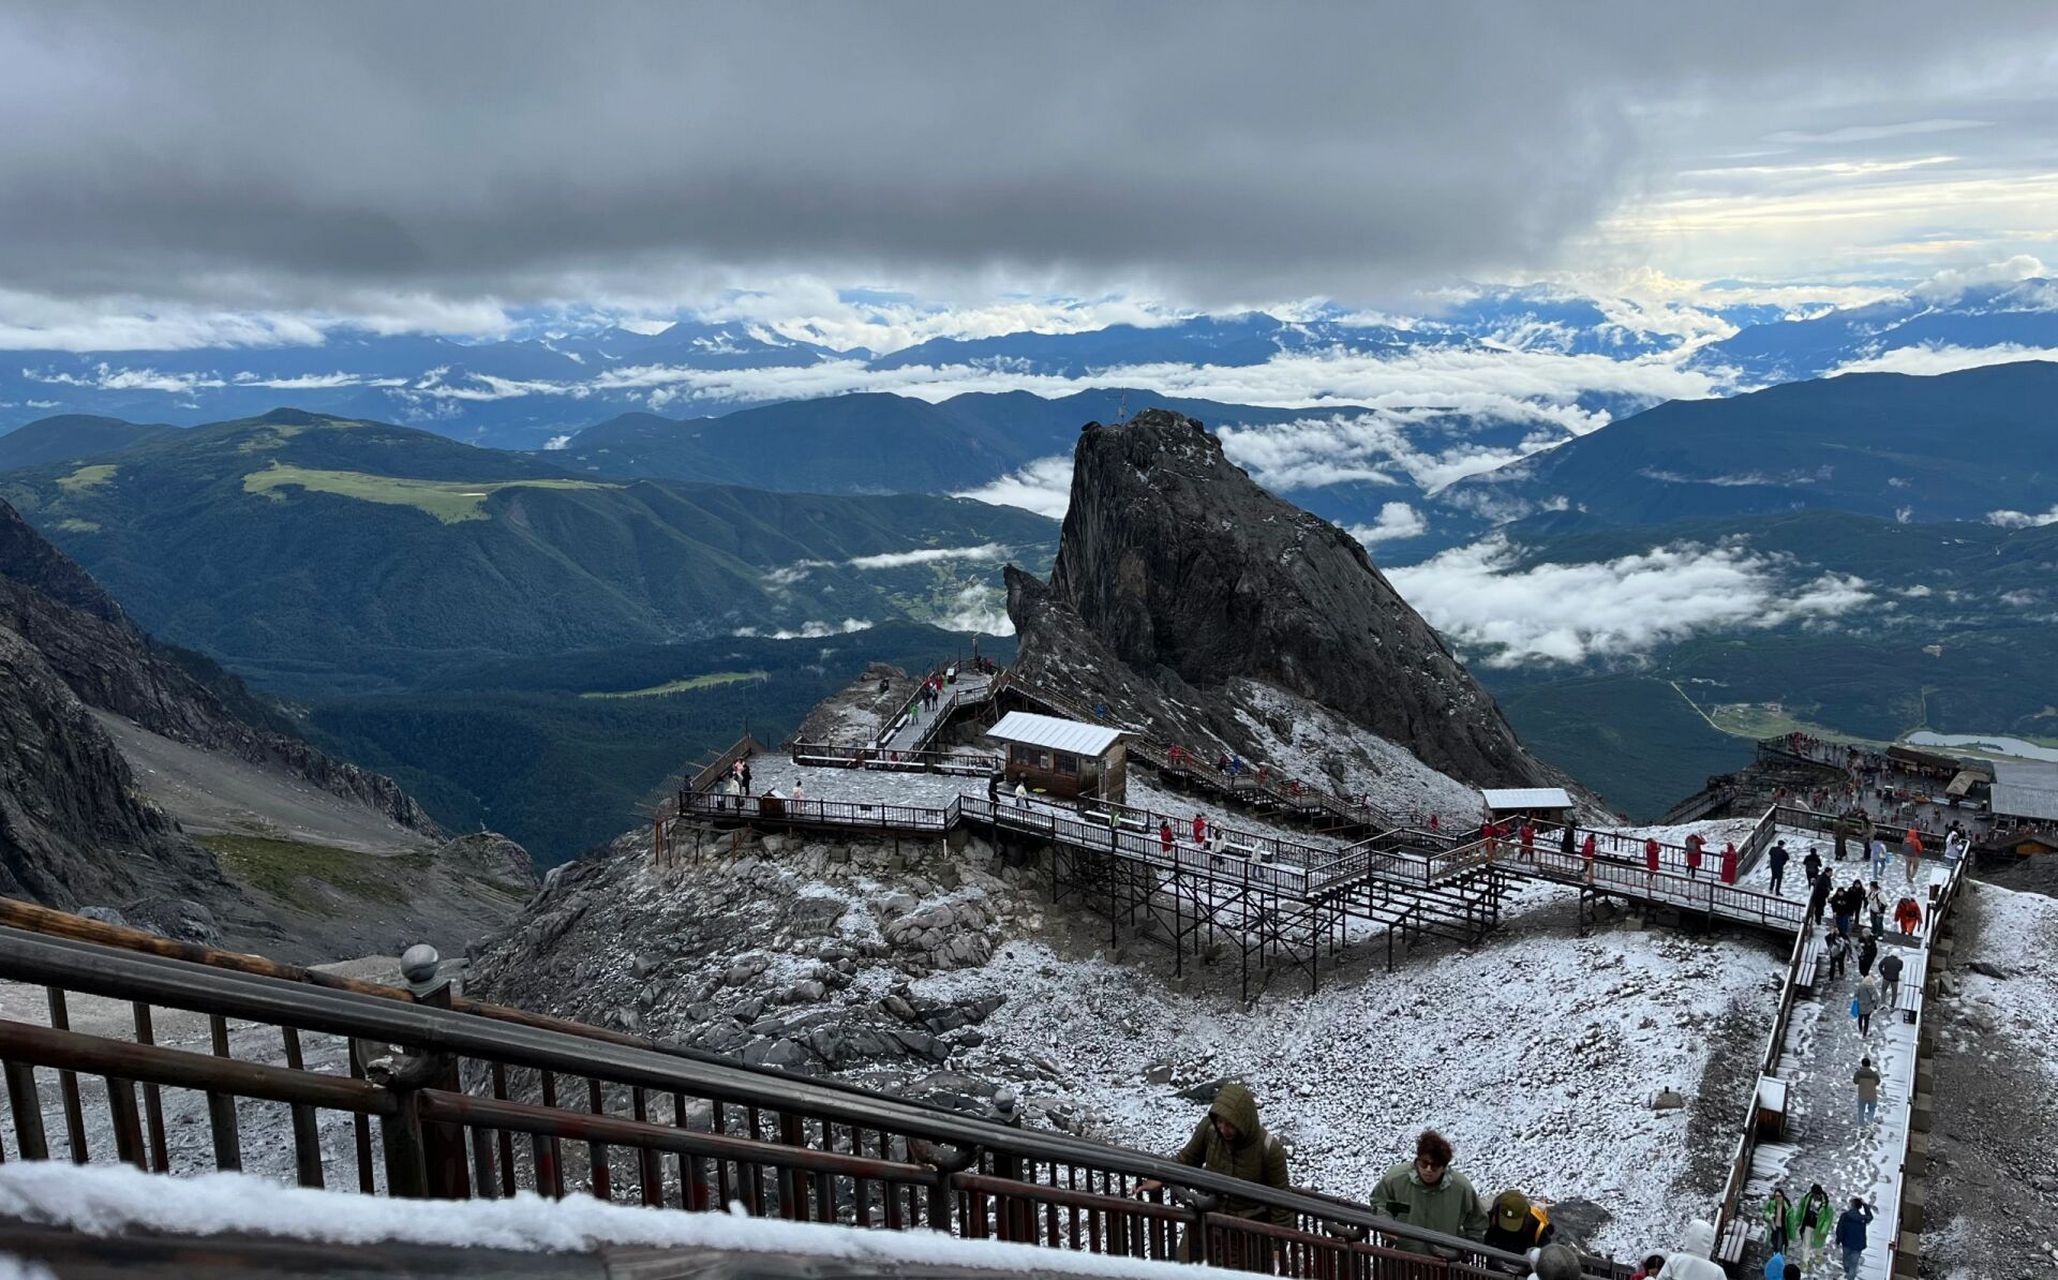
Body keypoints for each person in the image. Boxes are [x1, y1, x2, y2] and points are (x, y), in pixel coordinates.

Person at [1132, 1081, 1291, 1264]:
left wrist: (1278, 1247)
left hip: (1244, 1235)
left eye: (1230, 1124)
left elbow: (1281, 1201)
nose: (1223, 1129)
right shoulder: (1209, 1130)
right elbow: (1186, 1159)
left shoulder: (1269, 1149)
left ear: (1244, 1121)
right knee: (1184, 1271)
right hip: (1205, 1221)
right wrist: (1159, 1177)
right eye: (1220, 1122)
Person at [1371, 1129, 1488, 1242]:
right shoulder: (1396, 1178)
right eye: (1424, 1163)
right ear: (1417, 1160)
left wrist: (1468, 1248)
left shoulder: (1461, 1188)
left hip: (1444, 1253)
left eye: (1435, 1165)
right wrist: (1386, 1223)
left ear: (1444, 1167)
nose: (1428, 1169)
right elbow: (1379, 1201)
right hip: (1404, 1250)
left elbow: (1477, 1222)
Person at [1482, 1189, 1552, 1253]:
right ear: (1495, 1212)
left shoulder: (1537, 1231)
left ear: (1525, 1216)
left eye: (1514, 1223)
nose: (1508, 1228)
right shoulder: (1485, 1221)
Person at [1834, 1197, 1874, 1279]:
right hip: (1858, 1245)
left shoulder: (1845, 1216)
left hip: (1847, 1243)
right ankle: (1850, 1276)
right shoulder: (1862, 1218)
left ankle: (1847, 1270)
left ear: (1852, 1205)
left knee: (1846, 1260)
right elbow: (1870, 1217)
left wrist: (1838, 1240)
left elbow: (1840, 1229)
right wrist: (1865, 1205)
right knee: (1854, 1264)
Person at [1794, 1184, 1834, 1266]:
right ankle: (1805, 1261)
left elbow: (1828, 1219)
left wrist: (1824, 1229)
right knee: (1806, 1243)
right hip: (1808, 1224)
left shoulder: (1827, 1205)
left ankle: (1818, 1255)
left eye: (1816, 1195)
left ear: (1820, 1194)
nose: (1815, 1197)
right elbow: (1800, 1209)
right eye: (1814, 1195)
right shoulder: (1806, 1199)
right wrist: (1797, 1220)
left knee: (1819, 1242)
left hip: (1819, 1227)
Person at [1762, 1185, 1794, 1257]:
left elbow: (1791, 1221)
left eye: (1779, 1196)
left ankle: (1777, 1257)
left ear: (1782, 1196)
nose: (1777, 1198)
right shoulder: (1771, 1203)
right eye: (1776, 1196)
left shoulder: (1787, 1206)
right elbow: (1765, 1211)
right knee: (1772, 1243)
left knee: (1779, 1245)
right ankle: (1773, 1256)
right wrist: (1769, 1216)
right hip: (1773, 1227)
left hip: (1782, 1229)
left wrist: (1791, 1235)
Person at [1853, 1057, 1881, 1131]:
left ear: (1862, 1064)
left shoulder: (1858, 1073)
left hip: (1862, 1095)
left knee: (1861, 1110)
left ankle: (1861, 1126)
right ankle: (1869, 1122)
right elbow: (1878, 1082)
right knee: (1871, 1109)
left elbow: (1855, 1081)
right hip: (1872, 1095)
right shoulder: (1874, 1074)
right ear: (1869, 1064)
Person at [1853, 971, 1880, 1038]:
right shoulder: (1872, 988)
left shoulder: (1860, 986)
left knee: (1860, 1018)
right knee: (1866, 1021)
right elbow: (1877, 998)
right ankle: (1864, 1034)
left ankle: (1860, 1029)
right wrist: (1874, 1005)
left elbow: (1855, 994)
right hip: (1868, 1007)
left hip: (1860, 1006)